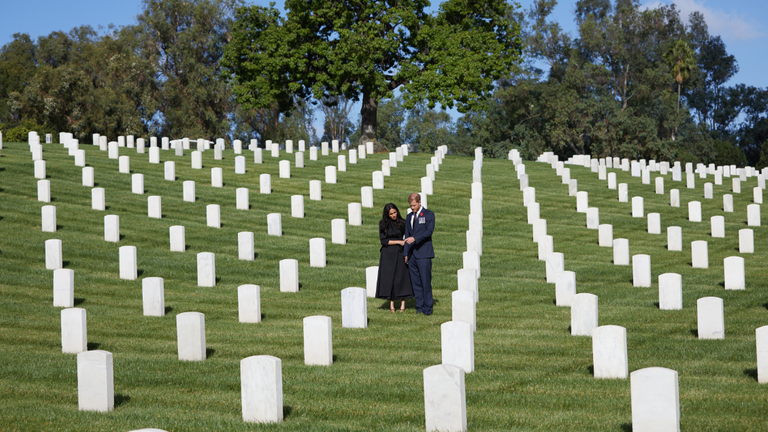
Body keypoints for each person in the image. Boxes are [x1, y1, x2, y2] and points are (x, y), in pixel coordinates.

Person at [375, 203, 414, 313]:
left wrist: (406, 251)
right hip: (387, 254)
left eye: (395, 212)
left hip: (400, 253)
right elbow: (383, 241)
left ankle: (403, 304)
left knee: (401, 278)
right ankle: (391, 304)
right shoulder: (383, 224)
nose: (394, 215)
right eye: (391, 213)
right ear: (387, 214)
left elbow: (408, 237)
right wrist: (398, 242)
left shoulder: (402, 223)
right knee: (389, 278)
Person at [404, 193, 434, 315]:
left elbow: (429, 231)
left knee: (425, 282)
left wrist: (415, 238)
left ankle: (428, 309)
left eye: (414, 205)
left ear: (420, 202)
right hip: (412, 255)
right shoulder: (409, 216)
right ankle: (420, 307)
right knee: (416, 283)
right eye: (411, 206)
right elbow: (406, 235)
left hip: (424, 254)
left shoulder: (429, 214)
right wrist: (406, 253)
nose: (412, 208)